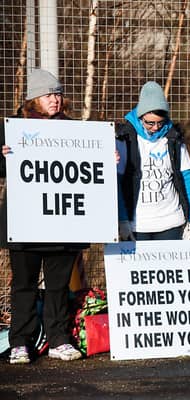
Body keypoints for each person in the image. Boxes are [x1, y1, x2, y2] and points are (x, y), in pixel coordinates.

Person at [1, 69, 84, 363]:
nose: (56, 100)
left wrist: (105, 159)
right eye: (49, 94)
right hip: (25, 223)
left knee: (58, 286)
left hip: (62, 223)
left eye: (58, 94)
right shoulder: (14, 128)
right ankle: (20, 342)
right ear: (34, 98)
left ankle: (59, 338)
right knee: (23, 285)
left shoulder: (75, 130)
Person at [116, 81, 190, 241]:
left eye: (160, 123)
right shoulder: (124, 139)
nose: (155, 128)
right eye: (150, 123)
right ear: (140, 117)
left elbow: (187, 179)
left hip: (171, 221)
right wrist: (122, 219)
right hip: (137, 224)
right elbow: (118, 182)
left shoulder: (174, 139)